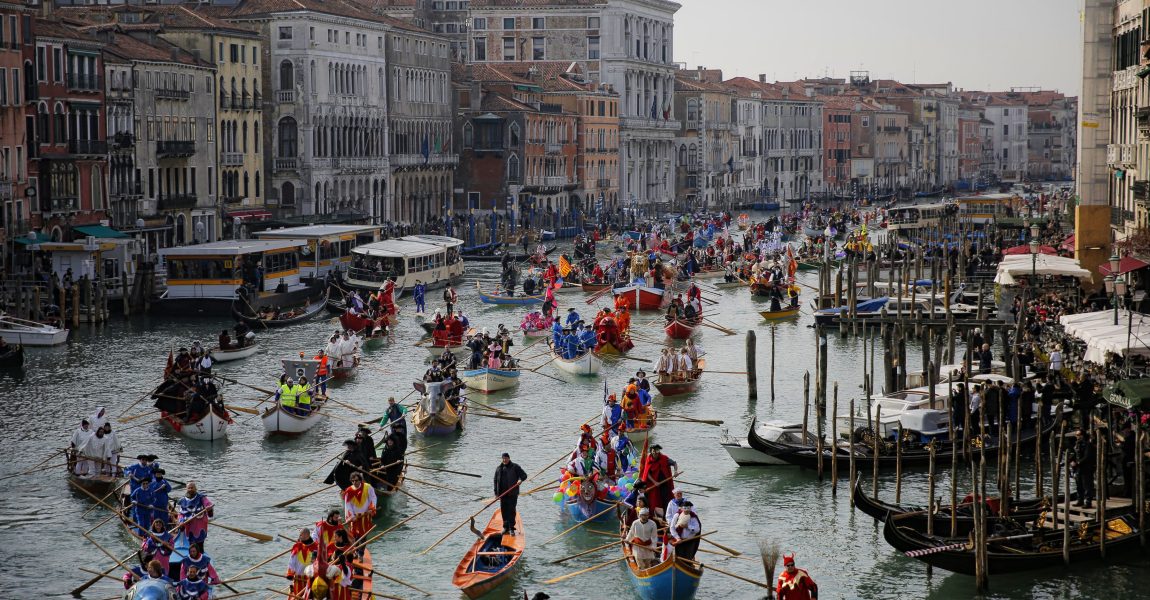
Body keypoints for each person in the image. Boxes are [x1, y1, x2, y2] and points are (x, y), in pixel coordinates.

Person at [493, 452, 528, 535]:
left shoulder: (515, 467)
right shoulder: (499, 468)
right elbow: (495, 481)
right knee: (504, 511)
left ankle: (511, 528)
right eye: (503, 458)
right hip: (502, 494)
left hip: (512, 493)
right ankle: (506, 528)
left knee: (511, 510)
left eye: (506, 458)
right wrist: (496, 494)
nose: (505, 460)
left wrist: (520, 480)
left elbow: (524, 475)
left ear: (509, 458)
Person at [640, 445, 677, 519]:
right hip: (654, 485)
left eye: (657, 451)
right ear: (651, 451)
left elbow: (674, 463)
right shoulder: (648, 459)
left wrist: (675, 471)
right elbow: (647, 473)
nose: (655, 453)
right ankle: (653, 516)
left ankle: (667, 517)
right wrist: (655, 482)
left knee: (666, 500)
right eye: (654, 451)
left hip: (665, 484)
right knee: (654, 501)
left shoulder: (664, 458)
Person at [176, 482, 214, 546]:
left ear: (195, 489)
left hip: (199, 524)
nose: (190, 489)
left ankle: (200, 553)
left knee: (199, 543)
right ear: (186, 489)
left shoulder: (201, 497)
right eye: (189, 488)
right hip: (188, 525)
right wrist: (181, 521)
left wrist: (209, 508)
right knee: (190, 543)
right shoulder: (183, 500)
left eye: (192, 488)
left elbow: (207, 504)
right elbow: (181, 514)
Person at [342, 471, 377, 538]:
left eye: (356, 480)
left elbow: (373, 498)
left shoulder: (368, 487)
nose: (354, 483)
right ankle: (357, 548)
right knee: (355, 535)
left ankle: (361, 548)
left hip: (365, 515)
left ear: (360, 480)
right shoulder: (348, 491)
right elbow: (348, 505)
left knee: (364, 535)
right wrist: (352, 516)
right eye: (352, 481)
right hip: (355, 517)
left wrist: (371, 508)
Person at [286, 527, 319, 596]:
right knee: (298, 596)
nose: (299, 536)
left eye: (301, 534)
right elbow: (291, 561)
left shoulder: (316, 547)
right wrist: (290, 573)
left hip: (310, 579)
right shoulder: (297, 546)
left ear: (306, 535)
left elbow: (317, 563)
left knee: (310, 596)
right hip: (298, 579)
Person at [1071, 428, 1096, 509]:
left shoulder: (1088, 444)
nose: (1077, 436)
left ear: (1083, 436)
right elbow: (1075, 455)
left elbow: (1087, 457)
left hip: (1086, 468)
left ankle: (1088, 502)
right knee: (1079, 485)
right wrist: (1070, 461)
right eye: (1076, 435)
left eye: (1078, 435)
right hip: (1078, 468)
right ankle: (1080, 500)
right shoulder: (1077, 444)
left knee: (1087, 485)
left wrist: (1077, 463)